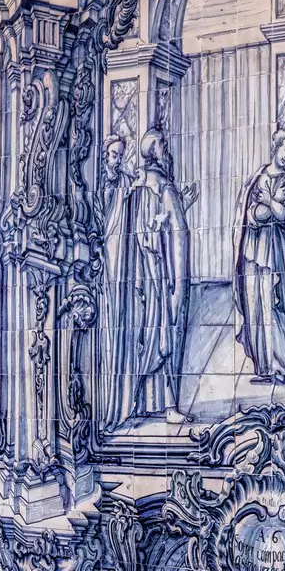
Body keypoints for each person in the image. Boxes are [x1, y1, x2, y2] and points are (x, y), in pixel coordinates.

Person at [109, 129, 192, 424]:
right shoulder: (163, 189)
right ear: (156, 151)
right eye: (163, 146)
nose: (167, 150)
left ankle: (143, 403)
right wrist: (177, 283)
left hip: (140, 278)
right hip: (159, 274)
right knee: (165, 332)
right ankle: (169, 407)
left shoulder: (135, 188)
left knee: (146, 333)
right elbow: (174, 235)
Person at [234, 127, 285, 383]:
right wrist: (270, 207)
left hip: (274, 256)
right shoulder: (257, 177)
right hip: (252, 252)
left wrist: (268, 204)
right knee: (254, 308)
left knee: (271, 308)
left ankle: (280, 363)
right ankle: (262, 366)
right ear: (276, 146)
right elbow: (250, 216)